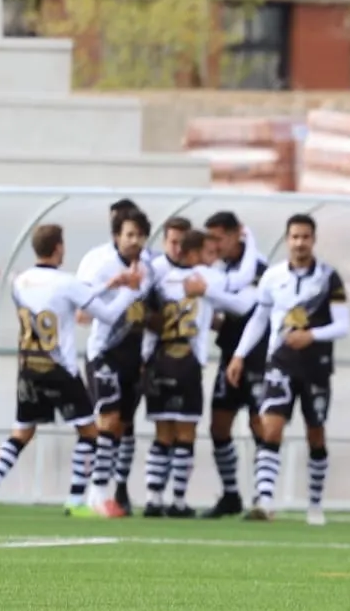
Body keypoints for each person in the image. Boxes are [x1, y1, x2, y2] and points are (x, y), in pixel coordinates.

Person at [0, 224, 144, 516]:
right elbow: (106, 314)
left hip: (29, 368)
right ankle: (75, 500)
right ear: (59, 247)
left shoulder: (20, 282)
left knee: (21, 433)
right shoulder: (66, 282)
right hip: (60, 369)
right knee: (89, 432)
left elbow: (61, 298)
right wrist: (130, 291)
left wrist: (111, 284)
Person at [228, 214, 349, 524]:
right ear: (287, 240)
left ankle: (315, 504)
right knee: (270, 427)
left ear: (314, 240)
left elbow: (343, 325)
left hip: (316, 365)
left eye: (305, 237)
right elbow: (259, 318)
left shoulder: (328, 278)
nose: (300, 243)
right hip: (280, 363)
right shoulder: (273, 276)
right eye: (295, 237)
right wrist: (239, 355)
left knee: (315, 434)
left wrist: (312, 335)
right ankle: (265, 500)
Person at [141, 228, 254, 517]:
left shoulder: (160, 279)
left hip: (159, 359)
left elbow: (148, 320)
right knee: (185, 433)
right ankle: (178, 501)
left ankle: (153, 498)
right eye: (208, 253)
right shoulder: (207, 277)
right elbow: (243, 283)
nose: (213, 258)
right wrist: (249, 240)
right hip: (187, 362)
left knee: (162, 434)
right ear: (193, 254)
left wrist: (145, 360)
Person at [77, 208, 156, 517]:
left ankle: (113, 489)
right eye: (129, 234)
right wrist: (119, 286)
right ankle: (96, 494)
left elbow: (146, 309)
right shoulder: (103, 267)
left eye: (139, 235)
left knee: (123, 426)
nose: (134, 241)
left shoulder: (147, 270)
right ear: (116, 237)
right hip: (103, 353)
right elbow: (85, 310)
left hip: (132, 355)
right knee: (107, 419)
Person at [192, 210, 266, 518]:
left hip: (258, 356)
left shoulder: (258, 267)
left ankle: (263, 496)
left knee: (259, 424)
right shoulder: (221, 268)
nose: (215, 244)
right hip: (228, 353)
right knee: (219, 425)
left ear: (237, 235)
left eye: (219, 238)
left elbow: (246, 306)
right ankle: (231, 494)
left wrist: (206, 292)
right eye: (210, 238)